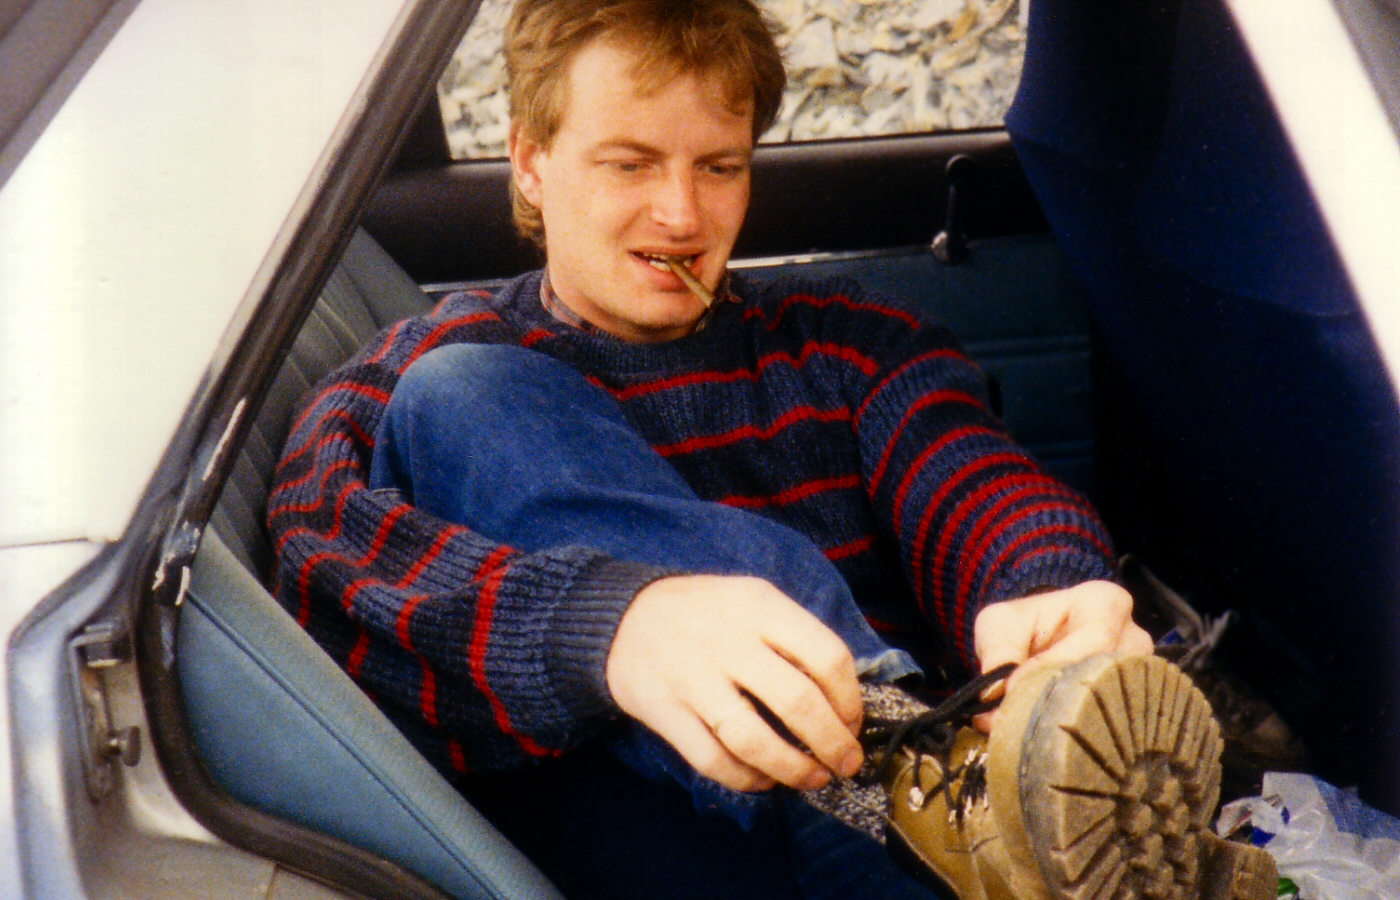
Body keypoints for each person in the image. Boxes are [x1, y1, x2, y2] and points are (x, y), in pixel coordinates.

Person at [268, 1, 1152, 896]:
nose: (682, 213)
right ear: (531, 161)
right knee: (464, 392)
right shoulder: (421, 368)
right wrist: (616, 624)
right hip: (664, 841)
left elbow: (970, 476)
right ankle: (886, 754)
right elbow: (318, 559)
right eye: (631, 163)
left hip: (920, 842)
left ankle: (919, 783)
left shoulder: (847, 344)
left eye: (720, 167)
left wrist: (1043, 585)